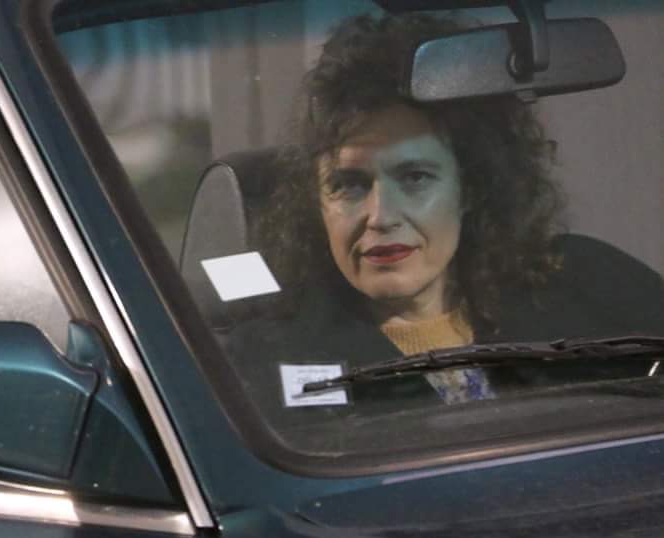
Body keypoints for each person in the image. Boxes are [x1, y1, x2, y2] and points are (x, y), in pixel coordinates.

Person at [229, 13, 664, 412]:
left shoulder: (587, 283)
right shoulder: (267, 360)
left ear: (470, 188)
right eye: (349, 184)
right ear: (316, 201)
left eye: (415, 177)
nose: (380, 217)